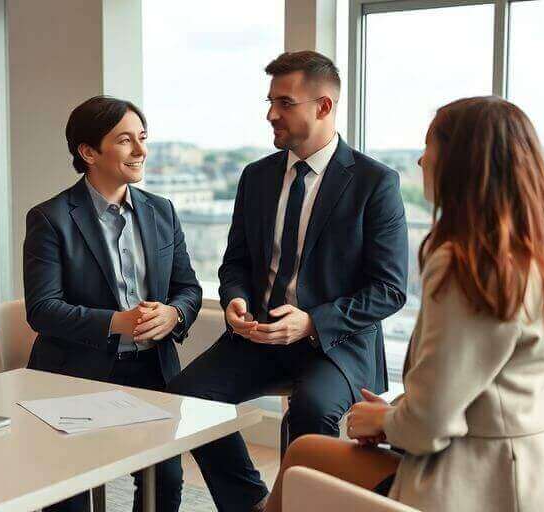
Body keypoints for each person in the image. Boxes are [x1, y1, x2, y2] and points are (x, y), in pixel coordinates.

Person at [264, 96, 544, 512]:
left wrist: (383, 421)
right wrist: (396, 412)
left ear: (461, 163)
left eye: (431, 146)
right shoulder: (539, 256)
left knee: (302, 458)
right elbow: (474, 388)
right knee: (309, 452)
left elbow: (429, 427)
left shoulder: (468, 265)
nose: (420, 160)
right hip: (532, 471)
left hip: (472, 484)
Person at [166, 51, 409, 512]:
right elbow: (234, 263)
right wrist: (236, 300)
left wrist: (312, 323)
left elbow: (390, 289)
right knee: (186, 397)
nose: (270, 113)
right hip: (258, 336)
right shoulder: (255, 177)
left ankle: (298, 507)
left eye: (284, 102)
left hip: (336, 344)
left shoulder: (376, 183)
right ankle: (252, 504)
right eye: (270, 100)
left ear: (323, 107)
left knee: (313, 411)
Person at [23, 95, 203, 512]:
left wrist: (174, 313)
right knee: (67, 494)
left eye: (142, 138)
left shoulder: (162, 211)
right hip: (76, 376)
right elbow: (42, 309)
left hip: (151, 371)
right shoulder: (50, 218)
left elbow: (188, 288)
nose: (141, 151)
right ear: (88, 152)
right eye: (126, 140)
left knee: (166, 484)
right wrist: (117, 322)